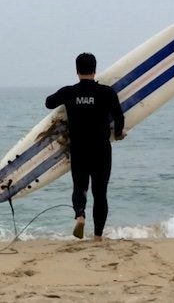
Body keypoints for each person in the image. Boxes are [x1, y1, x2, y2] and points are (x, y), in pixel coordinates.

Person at [45, 53, 125, 241]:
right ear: (95, 69)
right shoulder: (106, 93)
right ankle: (97, 237)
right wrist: (119, 133)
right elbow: (119, 117)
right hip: (101, 150)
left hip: (79, 149)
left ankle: (80, 215)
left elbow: (48, 103)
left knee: (79, 186)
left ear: (77, 70)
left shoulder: (69, 92)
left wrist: (66, 97)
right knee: (100, 193)